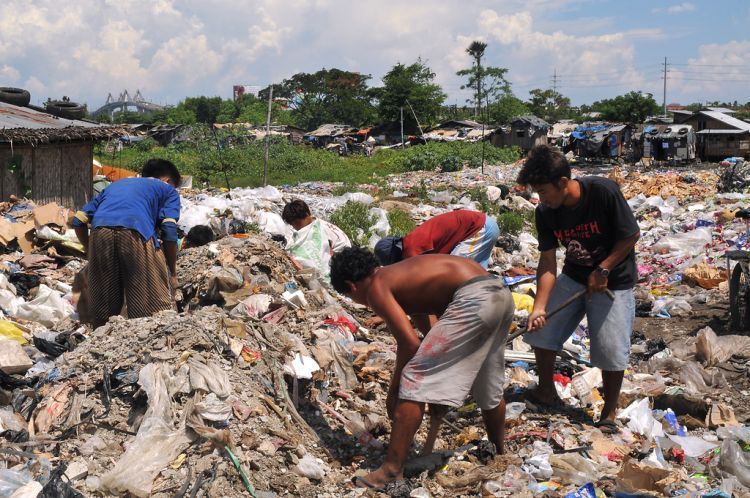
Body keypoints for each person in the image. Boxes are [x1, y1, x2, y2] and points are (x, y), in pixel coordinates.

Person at [330, 247, 514, 490]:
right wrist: (437, 389)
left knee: (413, 379)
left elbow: (409, 344)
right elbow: (431, 338)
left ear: (351, 286)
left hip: (474, 299)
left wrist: (394, 390)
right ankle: (499, 454)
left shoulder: (376, 287)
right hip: (499, 294)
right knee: (487, 383)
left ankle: (391, 470)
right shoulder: (404, 279)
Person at [516, 145, 640, 433]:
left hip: (614, 280)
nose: (540, 198)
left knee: (610, 348)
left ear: (562, 183)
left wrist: (604, 268)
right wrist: (539, 307)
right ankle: (546, 392)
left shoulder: (602, 192)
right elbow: (548, 262)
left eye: (544, 191)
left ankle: (608, 413)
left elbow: (631, 235)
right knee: (542, 331)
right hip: (574, 276)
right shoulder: (545, 212)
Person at [72, 159, 182, 328]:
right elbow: (168, 229)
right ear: (167, 180)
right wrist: (172, 273)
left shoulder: (114, 186)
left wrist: (89, 251)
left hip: (99, 233)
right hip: (135, 232)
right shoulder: (167, 190)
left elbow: (79, 220)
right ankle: (143, 334)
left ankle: (101, 341)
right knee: (146, 304)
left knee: (104, 307)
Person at [374, 209, 499, 269]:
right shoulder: (411, 240)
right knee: (475, 270)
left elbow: (422, 276)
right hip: (481, 225)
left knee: (455, 270)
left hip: (479, 228)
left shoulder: (412, 250)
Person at [281, 199, 351, 253]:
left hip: (343, 259)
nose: (295, 228)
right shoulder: (317, 223)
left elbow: (326, 255)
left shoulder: (317, 230)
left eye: (295, 224)